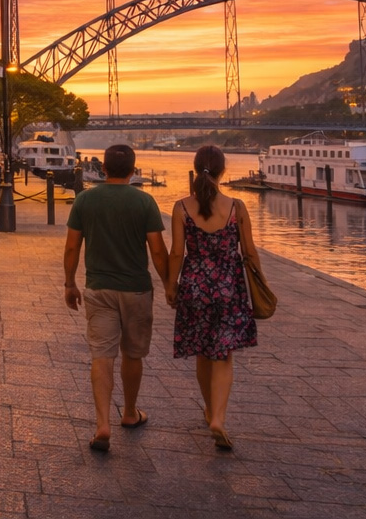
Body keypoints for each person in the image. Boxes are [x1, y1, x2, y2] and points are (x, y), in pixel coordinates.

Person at [63, 144, 169, 454]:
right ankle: (130, 413)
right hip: (136, 289)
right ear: (133, 171)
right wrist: (168, 284)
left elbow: (72, 247)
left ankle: (102, 424)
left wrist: (70, 283)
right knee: (133, 354)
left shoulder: (85, 200)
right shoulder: (144, 201)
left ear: (103, 169)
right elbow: (158, 250)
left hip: (99, 289)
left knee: (102, 355)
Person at [166, 145, 259, 452]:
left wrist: (171, 285)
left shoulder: (181, 208)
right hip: (229, 288)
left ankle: (209, 411)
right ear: (222, 171)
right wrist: (261, 286)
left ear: (196, 168)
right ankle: (218, 417)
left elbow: (176, 252)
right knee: (223, 355)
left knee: (202, 353)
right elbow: (249, 252)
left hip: (194, 287)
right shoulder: (237, 207)